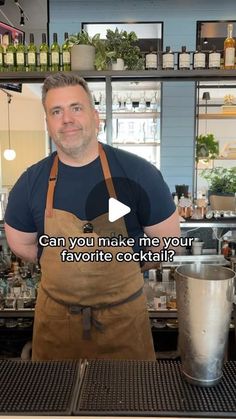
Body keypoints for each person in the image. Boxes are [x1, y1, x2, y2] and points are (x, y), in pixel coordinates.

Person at [4, 73, 180, 361]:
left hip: (124, 324)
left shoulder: (138, 173)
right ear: (48, 123)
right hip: (56, 325)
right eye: (56, 111)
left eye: (76, 108)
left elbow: (167, 241)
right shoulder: (31, 181)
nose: (67, 119)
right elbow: (20, 243)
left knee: (129, 402)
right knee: (55, 401)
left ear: (95, 116)